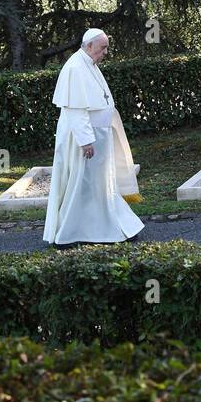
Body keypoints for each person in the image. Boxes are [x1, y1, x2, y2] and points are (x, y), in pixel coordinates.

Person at [43, 28, 144, 246]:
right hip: (84, 140)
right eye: (102, 48)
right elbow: (76, 110)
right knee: (83, 184)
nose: (106, 52)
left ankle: (117, 226)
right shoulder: (75, 68)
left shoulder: (88, 64)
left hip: (97, 135)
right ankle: (68, 234)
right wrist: (86, 140)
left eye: (106, 47)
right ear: (89, 46)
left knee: (100, 184)